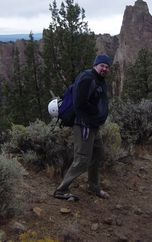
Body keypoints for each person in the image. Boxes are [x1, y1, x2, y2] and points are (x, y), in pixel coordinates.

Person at [54, 54, 111, 200]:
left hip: (92, 125)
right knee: (82, 159)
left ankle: (93, 187)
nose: (104, 69)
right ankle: (61, 190)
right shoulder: (88, 79)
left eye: (107, 66)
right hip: (83, 124)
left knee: (98, 154)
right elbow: (80, 103)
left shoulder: (98, 80)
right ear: (95, 66)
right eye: (102, 65)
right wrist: (96, 112)